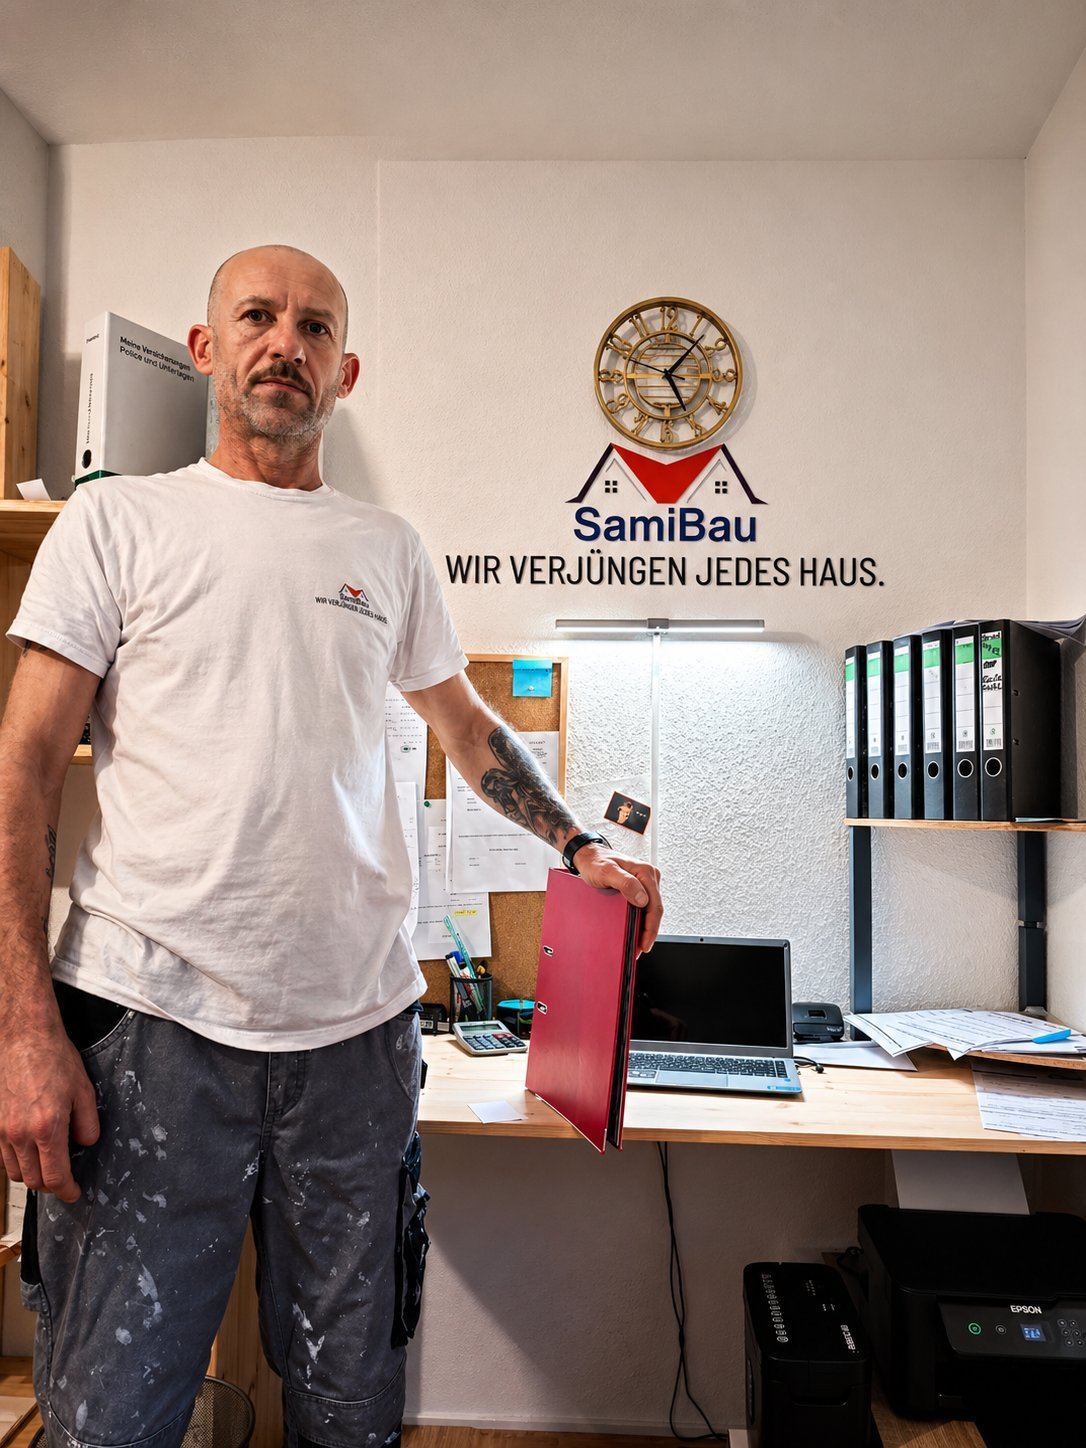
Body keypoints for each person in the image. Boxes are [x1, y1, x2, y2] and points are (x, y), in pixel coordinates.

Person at [0, 244, 662, 1448]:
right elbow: (23, 771)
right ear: (207, 348)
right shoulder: (116, 523)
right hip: (149, 1035)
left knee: (353, 1417)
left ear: (342, 369)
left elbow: (461, 724)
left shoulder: (388, 550)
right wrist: (20, 1026)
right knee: (110, 1418)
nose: (283, 344)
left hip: (358, 1046)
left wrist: (574, 844)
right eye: (257, 316)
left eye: (313, 328)